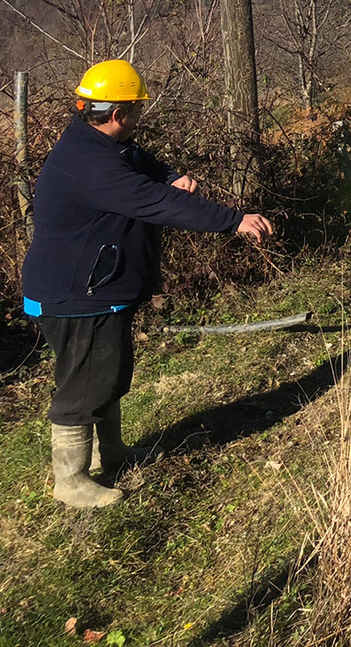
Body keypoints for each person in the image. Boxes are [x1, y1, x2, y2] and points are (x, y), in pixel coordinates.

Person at [21, 59, 274, 509]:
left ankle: (111, 454)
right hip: (78, 295)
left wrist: (169, 175)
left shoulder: (99, 143)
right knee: (83, 386)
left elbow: (143, 165)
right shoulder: (93, 166)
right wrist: (234, 220)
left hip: (97, 288)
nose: (140, 115)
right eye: (137, 108)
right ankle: (71, 479)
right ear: (119, 114)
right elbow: (157, 203)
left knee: (109, 374)